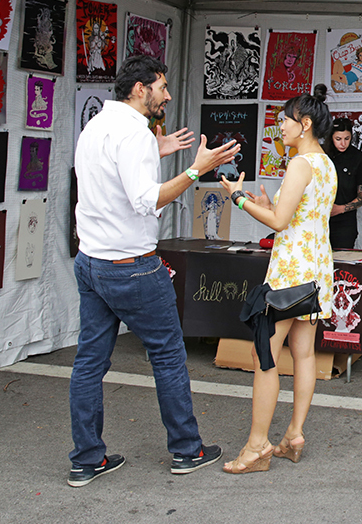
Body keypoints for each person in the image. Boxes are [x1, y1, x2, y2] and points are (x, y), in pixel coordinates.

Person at [69, 55, 241, 487]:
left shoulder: (98, 127)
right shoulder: (132, 134)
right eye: (161, 86)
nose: (167, 94)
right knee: (167, 354)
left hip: (91, 263)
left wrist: (157, 149)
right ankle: (187, 450)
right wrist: (195, 170)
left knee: (89, 363)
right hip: (130, 266)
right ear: (140, 89)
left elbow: (115, 179)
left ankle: (86, 459)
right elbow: (149, 201)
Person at [219, 84, 337, 473]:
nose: (279, 127)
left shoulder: (300, 163)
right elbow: (298, 217)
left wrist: (239, 198)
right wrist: (268, 206)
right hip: (316, 268)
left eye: (283, 121)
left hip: (290, 271)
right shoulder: (325, 163)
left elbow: (279, 222)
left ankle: (257, 446)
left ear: (304, 124)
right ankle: (294, 434)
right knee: (303, 352)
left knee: (263, 354)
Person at [325, 117, 362, 249]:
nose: (343, 144)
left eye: (347, 138)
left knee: (343, 264)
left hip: (344, 224)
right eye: (338, 139)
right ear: (331, 137)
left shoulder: (359, 158)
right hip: (319, 219)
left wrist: (340, 209)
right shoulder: (322, 155)